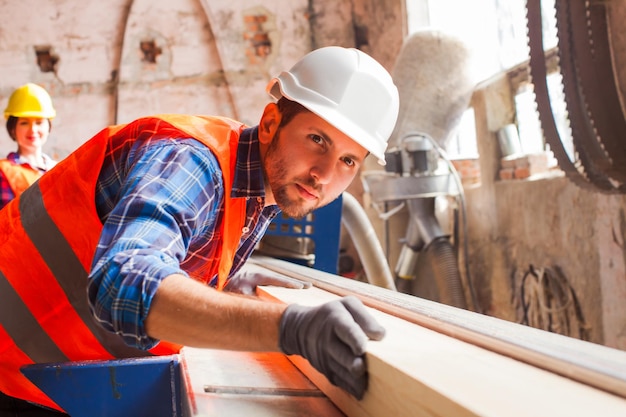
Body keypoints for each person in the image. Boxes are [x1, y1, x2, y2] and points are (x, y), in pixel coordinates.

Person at [0, 46, 399, 415]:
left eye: (348, 160)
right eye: (317, 140)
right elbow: (123, 284)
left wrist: (227, 281)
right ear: (270, 123)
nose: (324, 174)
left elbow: (171, 246)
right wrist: (289, 328)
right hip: (14, 374)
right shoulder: (193, 161)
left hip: (53, 376)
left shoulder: (257, 191)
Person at [0, 83, 58, 209]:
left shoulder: (58, 169)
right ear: (12, 128)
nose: (33, 130)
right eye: (24, 123)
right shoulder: (3, 171)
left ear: (48, 126)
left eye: (39, 122)